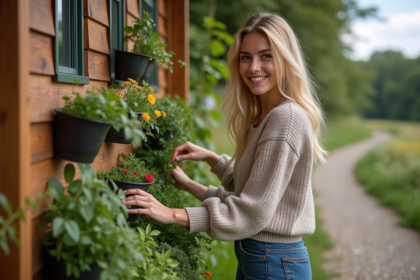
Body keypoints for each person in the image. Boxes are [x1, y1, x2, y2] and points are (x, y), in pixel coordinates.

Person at [122, 12, 327, 280]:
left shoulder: (285, 119)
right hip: (262, 256)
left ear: (286, 59)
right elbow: (251, 188)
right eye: (246, 57)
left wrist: (172, 214)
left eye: (266, 56)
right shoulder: (265, 115)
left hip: (274, 262)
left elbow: (251, 210)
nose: (253, 67)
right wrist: (205, 164)